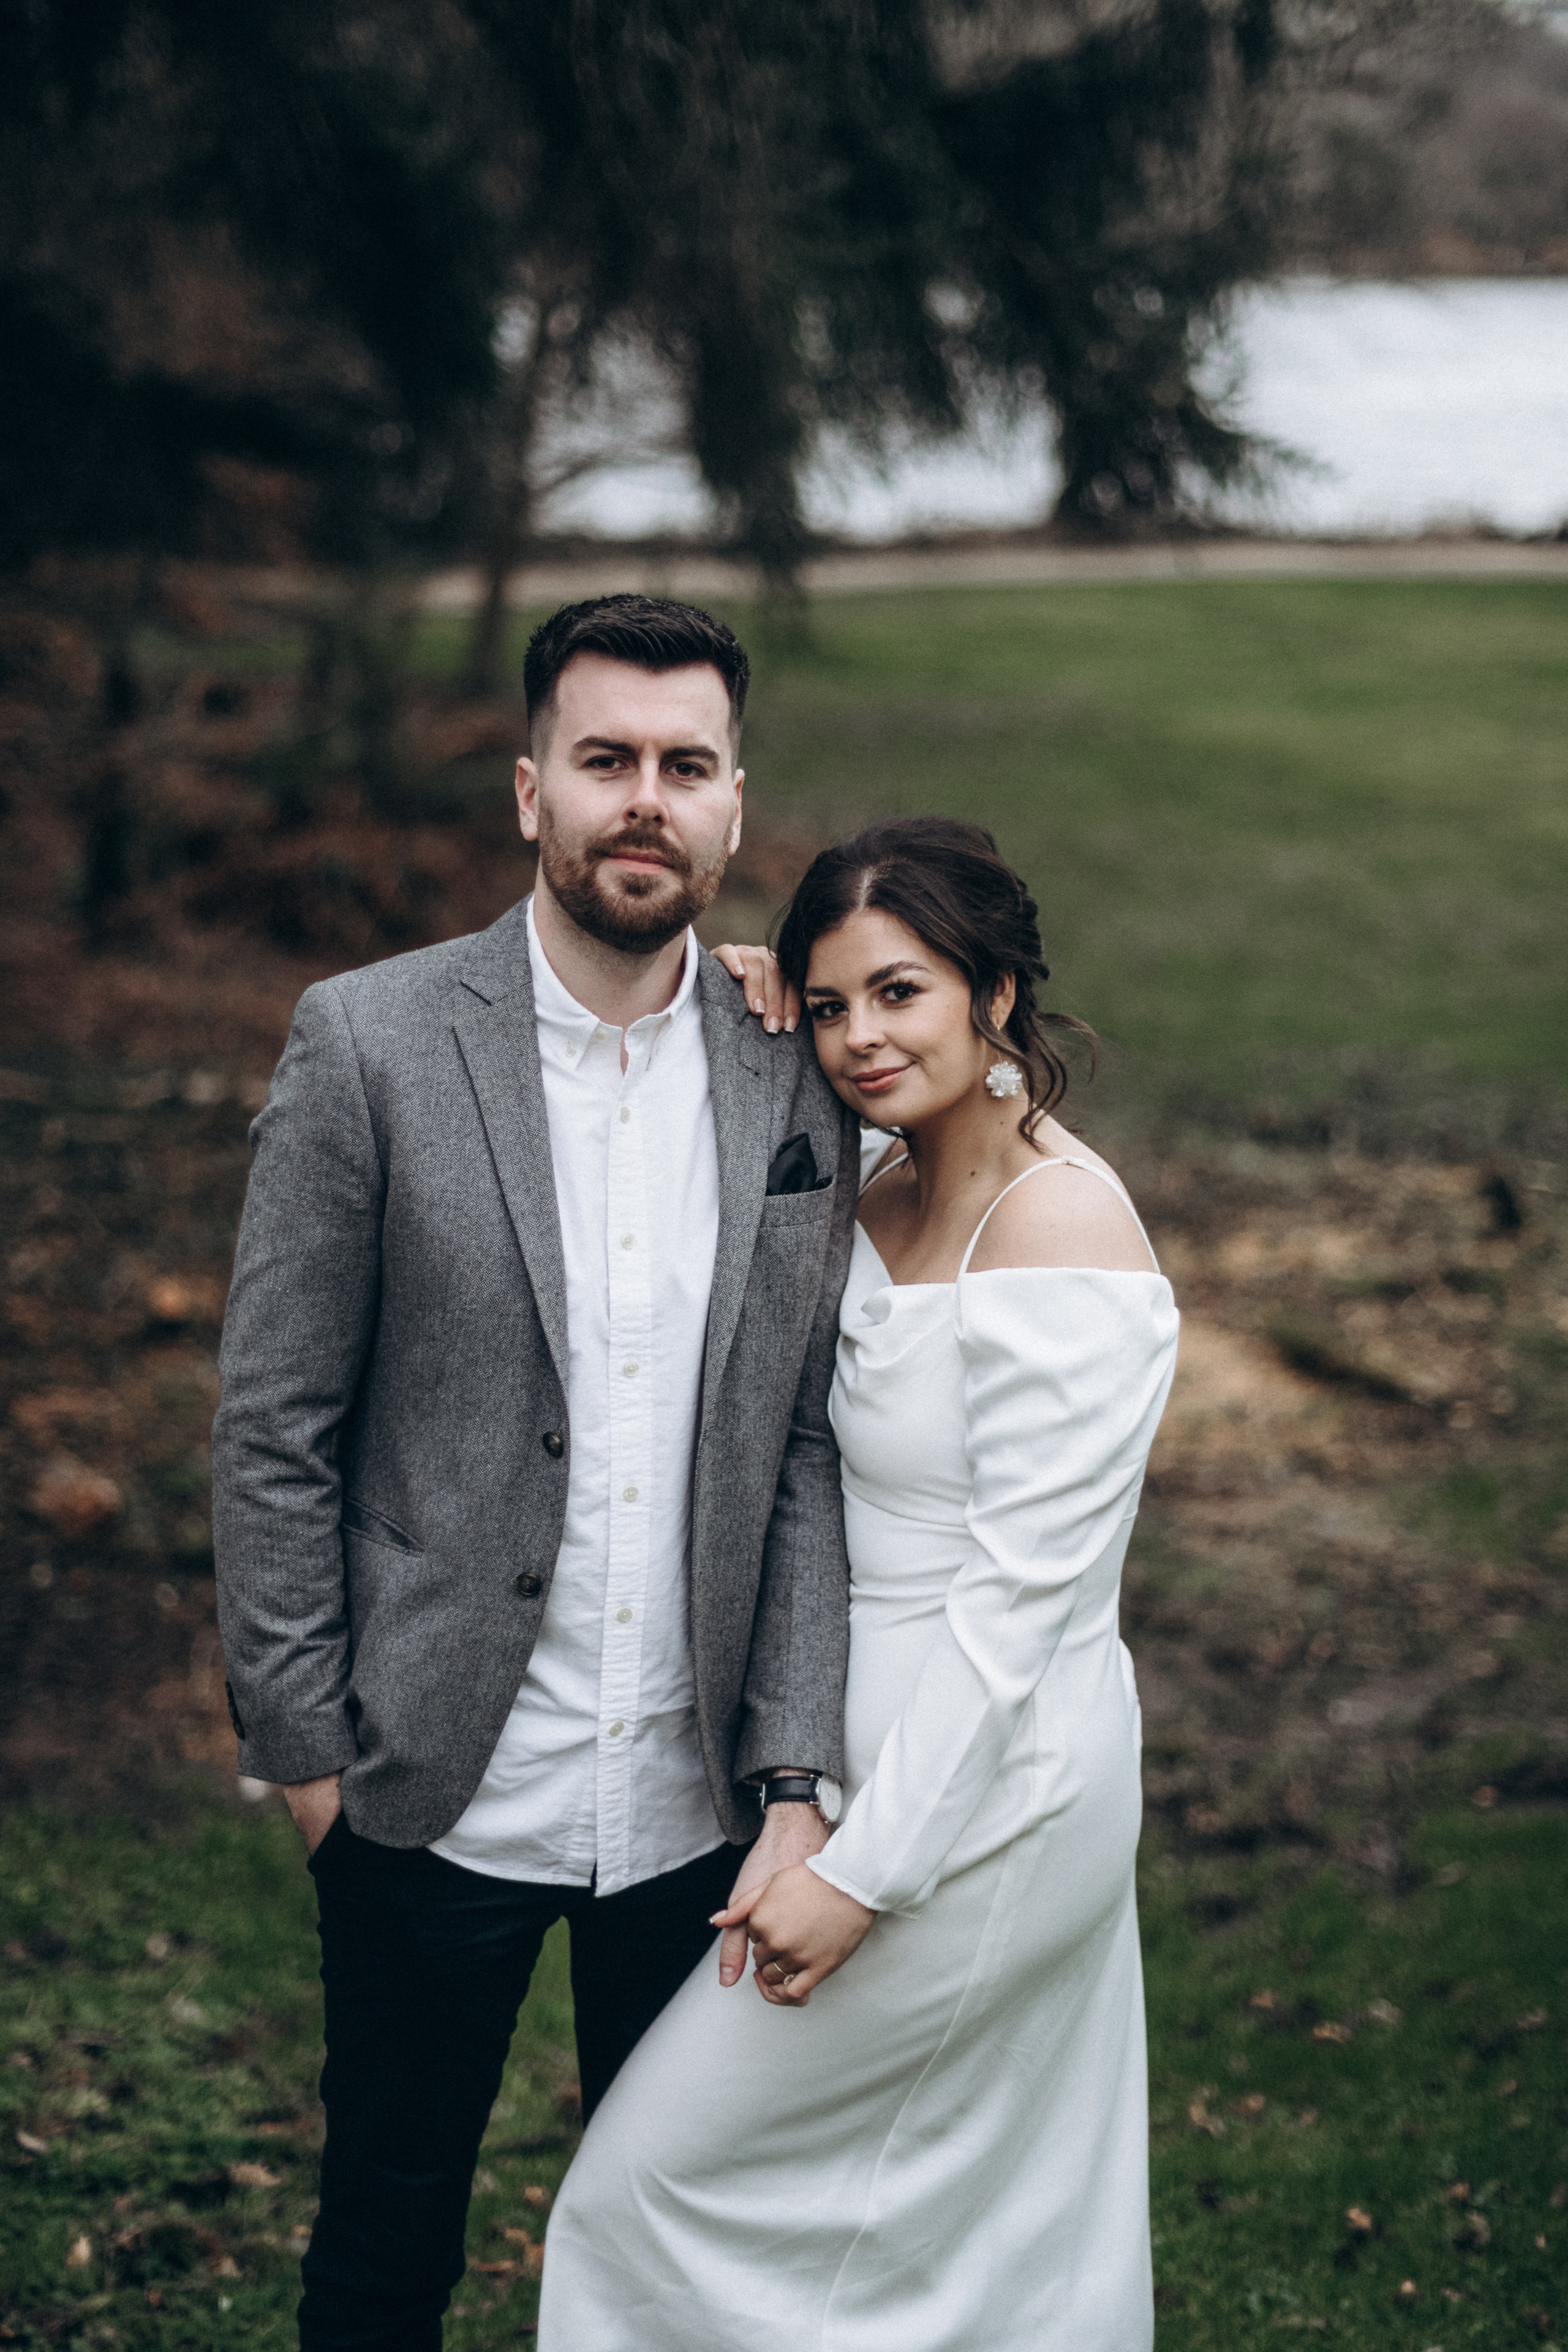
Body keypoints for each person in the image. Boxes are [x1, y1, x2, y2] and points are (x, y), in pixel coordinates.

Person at [210, 594, 861, 2352]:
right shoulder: (369, 1045)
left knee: (683, 2266)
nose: (644, 799)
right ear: (529, 793)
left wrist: (797, 1768)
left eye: (685, 766)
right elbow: (276, 1425)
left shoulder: (802, 1069)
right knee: (385, 2242)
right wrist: (309, 1755)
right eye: (606, 762)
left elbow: (797, 1440)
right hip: (427, 1787)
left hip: (696, 1812)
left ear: (734, 805)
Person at [539, 815, 1180, 2352]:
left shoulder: (1064, 1226)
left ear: (994, 996)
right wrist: (736, 991)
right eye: (827, 1006)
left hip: (989, 1784)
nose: (858, 1038)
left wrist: (862, 1869)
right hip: (848, 1750)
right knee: (926, 2216)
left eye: (900, 993)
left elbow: (1020, 1615)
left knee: (646, 2185)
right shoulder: (874, 1178)